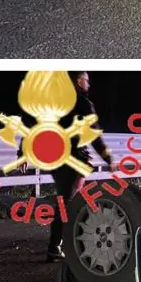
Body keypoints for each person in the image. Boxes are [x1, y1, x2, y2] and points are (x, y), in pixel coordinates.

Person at [45, 71, 113, 262]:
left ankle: (58, 244)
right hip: (74, 159)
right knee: (68, 203)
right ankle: (57, 246)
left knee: (64, 201)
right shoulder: (83, 103)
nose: (88, 85)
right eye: (86, 81)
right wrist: (108, 158)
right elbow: (94, 136)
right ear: (78, 81)